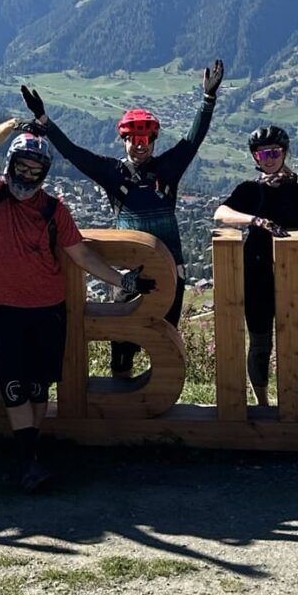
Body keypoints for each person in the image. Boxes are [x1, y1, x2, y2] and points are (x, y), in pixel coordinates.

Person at [0, 119, 153, 491]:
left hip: (48, 307)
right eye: (22, 167)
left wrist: (124, 281)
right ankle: (27, 460)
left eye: (35, 170)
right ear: (11, 166)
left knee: (37, 388)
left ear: (44, 174)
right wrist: (12, 125)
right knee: (16, 388)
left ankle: (30, 454)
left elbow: (81, 254)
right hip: (10, 310)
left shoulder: (55, 210)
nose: (27, 175)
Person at [20, 59, 223, 376]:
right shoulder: (113, 173)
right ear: (123, 140)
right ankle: (121, 404)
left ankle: (159, 413)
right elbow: (75, 154)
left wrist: (207, 102)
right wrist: (44, 121)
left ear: (153, 141)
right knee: (122, 346)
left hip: (172, 269)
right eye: (132, 139)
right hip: (127, 274)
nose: (138, 146)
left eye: (144, 140)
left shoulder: (168, 168)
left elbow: (192, 140)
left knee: (164, 342)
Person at [212, 125, 298, 408]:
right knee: (260, 343)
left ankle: (294, 399)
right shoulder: (249, 189)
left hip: (296, 270)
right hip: (257, 271)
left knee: (294, 338)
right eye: (261, 154)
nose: (267, 159)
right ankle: (262, 403)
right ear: (254, 158)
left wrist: (295, 177)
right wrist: (255, 220)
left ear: (284, 153)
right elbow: (221, 213)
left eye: (273, 152)